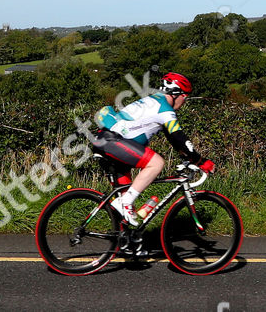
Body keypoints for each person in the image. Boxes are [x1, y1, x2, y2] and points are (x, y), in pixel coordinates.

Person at [92, 72, 215, 226]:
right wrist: (200, 160)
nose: (185, 101)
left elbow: (173, 140)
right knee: (156, 163)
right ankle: (124, 203)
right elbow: (178, 136)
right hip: (111, 142)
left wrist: (188, 158)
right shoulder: (164, 109)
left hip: (106, 141)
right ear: (176, 93)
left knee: (125, 211)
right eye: (185, 97)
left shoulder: (153, 101)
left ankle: (127, 246)